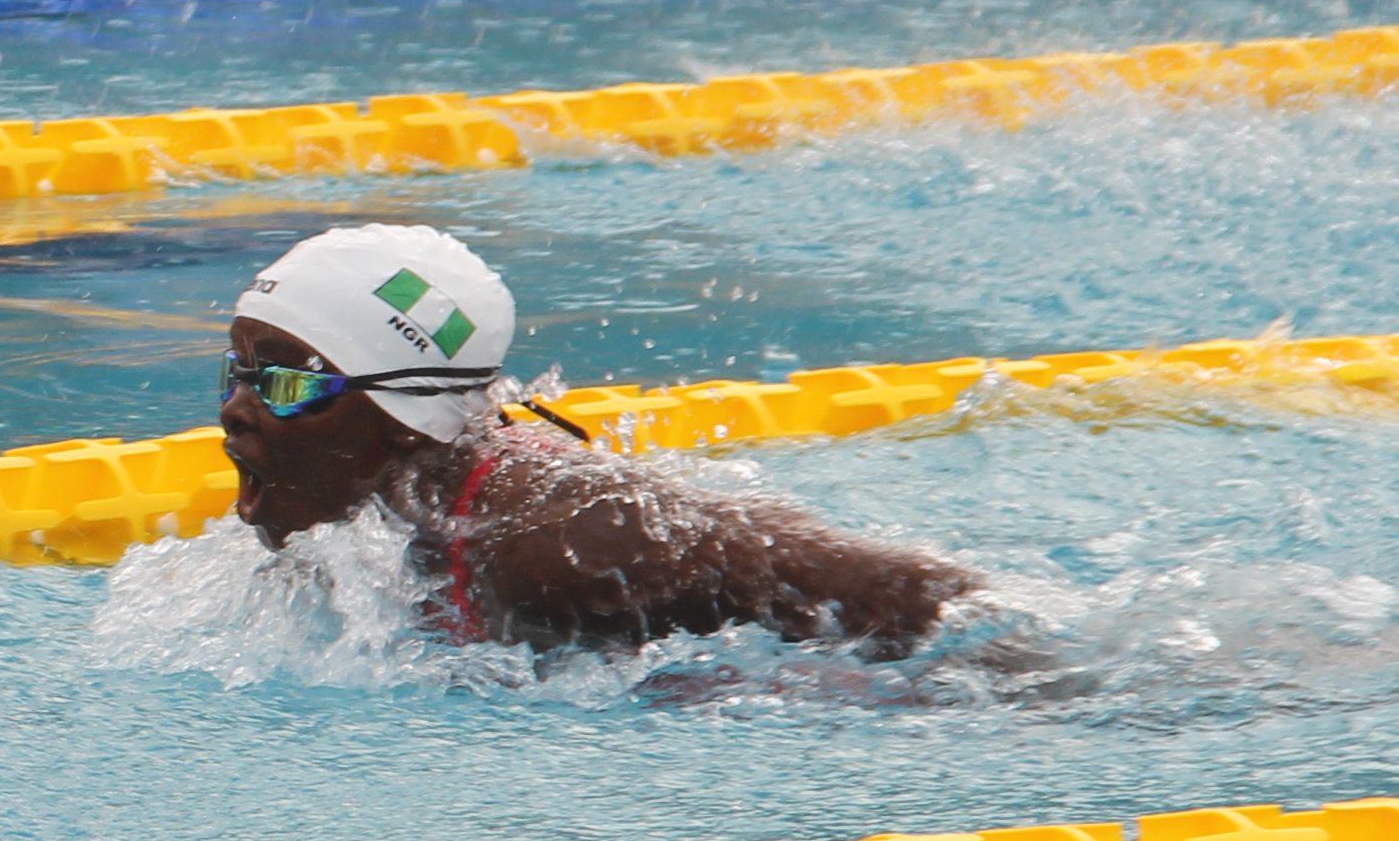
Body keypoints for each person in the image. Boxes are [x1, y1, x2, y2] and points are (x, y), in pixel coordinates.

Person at [218, 225, 975, 650]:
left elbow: (889, 587)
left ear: (407, 421)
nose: (236, 410)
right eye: (239, 373)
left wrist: (1054, 668)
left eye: (288, 383)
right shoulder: (363, 534)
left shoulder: (566, 539)